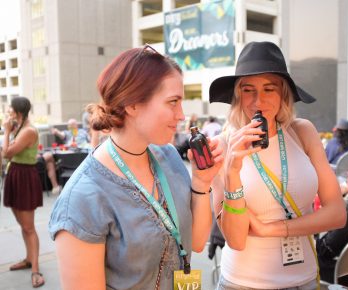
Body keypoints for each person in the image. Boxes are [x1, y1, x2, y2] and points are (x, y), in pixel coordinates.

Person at [48, 44, 223, 289]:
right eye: (173, 102)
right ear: (132, 104)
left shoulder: (169, 157)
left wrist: (202, 182)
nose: (182, 115)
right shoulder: (82, 199)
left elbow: (195, 241)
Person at [208, 41, 346, 289]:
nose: (257, 101)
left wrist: (268, 229)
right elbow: (236, 239)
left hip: (304, 279)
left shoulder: (302, 132)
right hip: (244, 282)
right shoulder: (223, 145)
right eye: (248, 90)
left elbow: (337, 213)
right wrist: (232, 171)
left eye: (269, 89)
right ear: (238, 95)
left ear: (283, 93)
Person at [2, 96, 45, 288]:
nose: (8, 114)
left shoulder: (28, 130)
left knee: (29, 227)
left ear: (19, 112)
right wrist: (10, 131)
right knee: (22, 224)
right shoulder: (20, 127)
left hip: (25, 177)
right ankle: (28, 259)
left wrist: (6, 131)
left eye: (11, 111)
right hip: (16, 175)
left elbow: (7, 153)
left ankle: (35, 269)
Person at [41, 118, 90, 195]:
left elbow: (90, 142)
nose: (71, 127)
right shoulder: (67, 133)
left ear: (76, 125)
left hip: (82, 154)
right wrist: (56, 131)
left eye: (72, 125)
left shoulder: (83, 132)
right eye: (69, 125)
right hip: (69, 156)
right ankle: (58, 185)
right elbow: (61, 135)